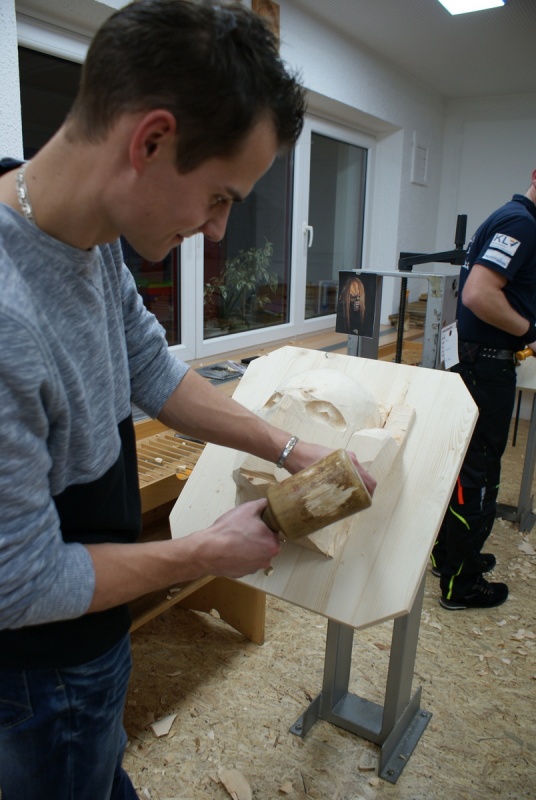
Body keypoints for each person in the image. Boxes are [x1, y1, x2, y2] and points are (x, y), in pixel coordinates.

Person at [0, 2, 376, 798]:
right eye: (221, 197)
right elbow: (20, 583)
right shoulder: (7, 318)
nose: (219, 231)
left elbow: (151, 367)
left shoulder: (88, 237)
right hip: (35, 673)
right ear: (151, 141)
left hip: (91, 636)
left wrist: (288, 448)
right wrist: (203, 553)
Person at [431, 169, 536, 611]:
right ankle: (463, 583)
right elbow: (478, 294)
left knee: (464, 466)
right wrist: (530, 330)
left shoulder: (508, 216)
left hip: (474, 359)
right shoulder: (522, 224)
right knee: (480, 474)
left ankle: (450, 556)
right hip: (486, 365)